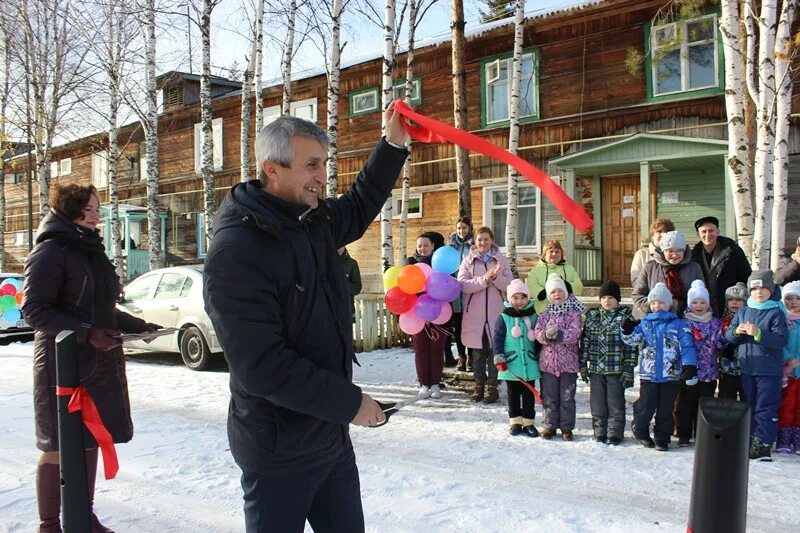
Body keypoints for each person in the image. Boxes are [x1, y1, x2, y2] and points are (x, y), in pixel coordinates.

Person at [203, 103, 410, 532]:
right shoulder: (237, 252)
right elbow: (262, 366)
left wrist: (392, 145)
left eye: (324, 164)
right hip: (277, 450)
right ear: (272, 169)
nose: (322, 176)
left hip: (329, 440)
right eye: (311, 164)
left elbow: (357, 206)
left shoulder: (308, 219)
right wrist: (350, 404)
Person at [22, 183, 160, 532]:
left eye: (97, 208)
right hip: (61, 365)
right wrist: (85, 333)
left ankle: (83, 517)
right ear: (70, 213)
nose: (97, 214)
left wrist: (138, 326)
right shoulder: (51, 251)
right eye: (89, 209)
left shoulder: (89, 249)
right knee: (58, 444)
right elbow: (34, 310)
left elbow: (101, 308)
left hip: (97, 364)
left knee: (90, 439)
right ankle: (49, 526)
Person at [621, 282, 698, 451]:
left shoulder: (680, 325)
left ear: (669, 304)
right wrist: (627, 330)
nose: (657, 306)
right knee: (646, 407)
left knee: (666, 409)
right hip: (648, 375)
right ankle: (640, 431)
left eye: (661, 302)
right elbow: (632, 341)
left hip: (671, 375)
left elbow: (687, 347)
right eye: (654, 303)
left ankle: (662, 437)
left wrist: (690, 366)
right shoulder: (645, 324)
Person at [724, 270, 789, 462]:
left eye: (763, 288)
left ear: (771, 290)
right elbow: (728, 336)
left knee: (765, 407)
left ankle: (763, 444)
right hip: (747, 368)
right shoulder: (743, 312)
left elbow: (780, 340)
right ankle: (750, 440)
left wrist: (759, 333)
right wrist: (737, 330)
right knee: (749, 405)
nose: (758, 292)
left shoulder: (776, 312)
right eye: (754, 288)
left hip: (768, 370)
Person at [457, 226, 513, 404]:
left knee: (494, 352)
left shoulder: (501, 261)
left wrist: (496, 278)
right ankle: (479, 385)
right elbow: (462, 285)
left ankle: (493, 387)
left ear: (492, 241)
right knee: (478, 354)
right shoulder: (468, 261)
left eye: (486, 239)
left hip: (496, 314)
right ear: (475, 241)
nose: (483, 243)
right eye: (479, 239)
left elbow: (509, 285)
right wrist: (484, 280)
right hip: (474, 315)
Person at [579, 280, 637, 445]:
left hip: (616, 368)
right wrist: (583, 365)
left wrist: (628, 369)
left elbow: (631, 345)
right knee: (597, 403)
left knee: (615, 403)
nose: (607, 301)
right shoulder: (592, 316)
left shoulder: (625, 316)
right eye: (604, 297)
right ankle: (600, 430)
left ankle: (614, 432)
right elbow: (586, 342)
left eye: (611, 297)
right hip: (597, 368)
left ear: (617, 299)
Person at [533, 274, 584, 441]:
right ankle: (549, 425)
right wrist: (546, 335)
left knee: (567, 397)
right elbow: (537, 334)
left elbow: (576, 333)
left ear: (565, 293)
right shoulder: (544, 314)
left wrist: (559, 334)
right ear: (549, 295)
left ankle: (566, 427)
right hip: (548, 365)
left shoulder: (573, 313)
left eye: (560, 291)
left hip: (568, 364)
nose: (557, 294)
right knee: (549, 397)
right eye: (553, 292)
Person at [673, 280, 725, 447]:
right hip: (688, 371)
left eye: (702, 302)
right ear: (689, 303)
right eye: (695, 302)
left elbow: (720, 343)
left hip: (708, 372)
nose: (699, 305)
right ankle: (683, 434)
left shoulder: (714, 323)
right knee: (685, 403)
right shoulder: (683, 323)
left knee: (704, 404)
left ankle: (702, 434)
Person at [492, 279, 540, 437]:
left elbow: (538, 338)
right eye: (515, 298)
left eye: (523, 297)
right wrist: (499, 356)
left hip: (530, 362)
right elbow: (497, 339)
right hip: (511, 363)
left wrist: (541, 355)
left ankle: (528, 422)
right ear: (509, 298)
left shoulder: (533, 316)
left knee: (528, 393)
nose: (519, 301)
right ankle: (515, 421)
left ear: (528, 298)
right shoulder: (503, 317)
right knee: (513, 394)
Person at [407, 232, 448, 398]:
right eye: (420, 245)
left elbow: (448, 287)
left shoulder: (440, 264)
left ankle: (436, 383)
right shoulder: (410, 264)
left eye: (426, 245)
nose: (422, 248)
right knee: (421, 350)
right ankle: (424, 383)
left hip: (438, 314)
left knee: (437, 350)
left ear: (432, 246)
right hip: (416, 315)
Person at [632, 230, 704, 319]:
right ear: (663, 251)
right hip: (656, 321)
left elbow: (701, 295)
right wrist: (656, 307)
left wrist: (679, 306)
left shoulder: (694, 268)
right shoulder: (650, 267)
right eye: (670, 251)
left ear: (684, 251)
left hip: (686, 321)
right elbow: (637, 295)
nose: (674, 255)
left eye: (679, 251)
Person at [690, 216, 751, 317]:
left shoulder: (733, 251)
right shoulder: (693, 255)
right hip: (702, 309)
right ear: (698, 234)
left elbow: (745, 277)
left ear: (718, 232)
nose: (707, 235)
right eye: (703, 231)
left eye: (711, 231)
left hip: (729, 306)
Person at [526, 240, 584, 313]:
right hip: (543, 312)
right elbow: (531, 285)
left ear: (561, 254)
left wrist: (566, 285)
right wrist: (544, 292)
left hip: (566, 312)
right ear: (544, 254)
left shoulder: (569, 268)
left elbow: (578, 286)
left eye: (557, 251)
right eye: (551, 251)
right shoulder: (536, 270)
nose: (554, 254)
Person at [447, 216, 474, 371]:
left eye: (464, 228)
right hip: (454, 293)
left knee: (469, 326)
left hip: (469, 292)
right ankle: (461, 357)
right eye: (458, 228)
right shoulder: (451, 247)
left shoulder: (474, 246)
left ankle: (471, 357)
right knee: (458, 327)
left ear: (469, 228)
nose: (461, 231)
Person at [777, 281, 800, 453]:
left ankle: (797, 437)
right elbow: (779, 342)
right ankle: (783, 437)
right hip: (788, 372)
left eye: (797, 298)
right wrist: (788, 357)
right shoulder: (782, 320)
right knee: (787, 404)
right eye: (789, 298)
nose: (793, 302)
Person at [718, 283, 748, 401]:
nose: (734, 302)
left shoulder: (748, 318)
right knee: (726, 396)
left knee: (746, 397)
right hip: (726, 367)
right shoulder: (722, 319)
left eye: (739, 300)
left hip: (744, 367)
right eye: (731, 300)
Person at [631, 217, 675, 285]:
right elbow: (636, 280)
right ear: (652, 235)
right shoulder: (642, 254)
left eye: (666, 232)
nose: (663, 234)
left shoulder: (676, 254)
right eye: (659, 231)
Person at [337, 247, 362, 321]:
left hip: (346, 308)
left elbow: (357, 289)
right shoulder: (325, 262)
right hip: (327, 309)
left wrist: (342, 283)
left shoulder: (352, 263)